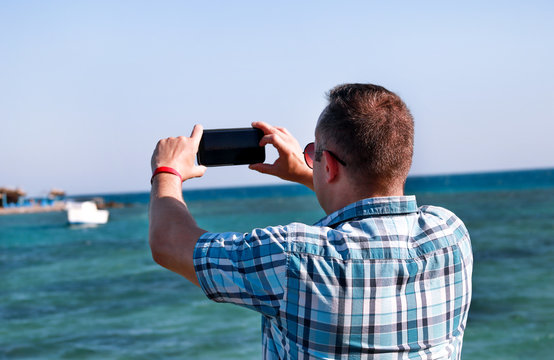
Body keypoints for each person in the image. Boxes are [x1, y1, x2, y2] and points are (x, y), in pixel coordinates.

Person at [149, 83, 473, 359]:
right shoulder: (450, 235)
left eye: (313, 152)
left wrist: (167, 171)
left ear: (329, 166)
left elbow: (168, 243)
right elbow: (366, 202)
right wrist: (312, 171)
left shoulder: (293, 257)